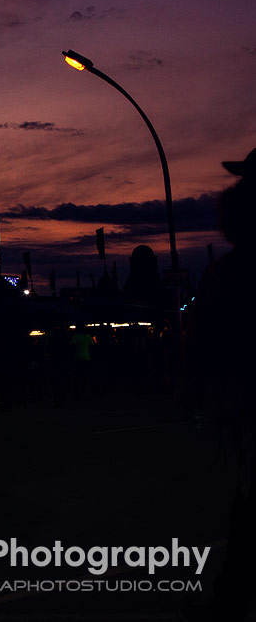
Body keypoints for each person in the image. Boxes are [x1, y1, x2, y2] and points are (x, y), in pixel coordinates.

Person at [180, 148, 256, 622]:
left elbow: (203, 340)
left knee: (248, 512)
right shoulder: (228, 272)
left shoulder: (229, 274)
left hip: (247, 405)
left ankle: (228, 605)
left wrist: (194, 395)